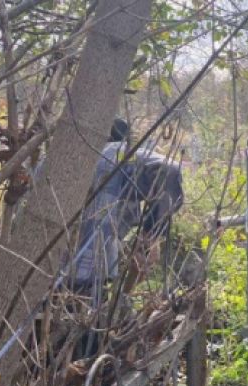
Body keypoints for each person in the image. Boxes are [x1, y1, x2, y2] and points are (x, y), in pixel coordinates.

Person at [71, 117, 184, 298]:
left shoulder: (131, 162)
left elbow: (126, 220)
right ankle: (84, 287)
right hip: (110, 172)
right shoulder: (120, 153)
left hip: (114, 177)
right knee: (98, 235)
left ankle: (91, 286)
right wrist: (151, 236)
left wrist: (148, 238)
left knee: (101, 235)